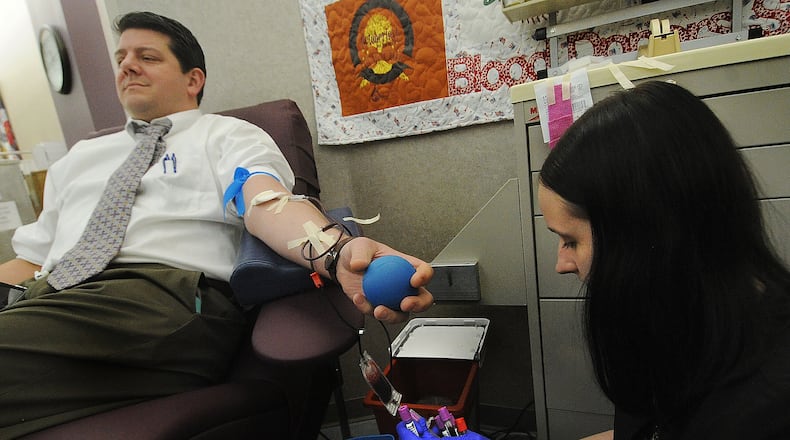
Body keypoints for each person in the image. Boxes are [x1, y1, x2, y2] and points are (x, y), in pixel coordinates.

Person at [0, 11, 434, 437]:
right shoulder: (77, 159)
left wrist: (335, 252)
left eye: (148, 57)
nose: (127, 65)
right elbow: (31, 259)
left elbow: (266, 201)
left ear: (193, 80)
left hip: (160, 299)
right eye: (121, 58)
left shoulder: (225, 135)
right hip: (49, 297)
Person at [538, 80, 790, 439]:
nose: (561, 264)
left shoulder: (764, 409)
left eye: (570, 241)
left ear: (646, 233)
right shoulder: (675, 324)